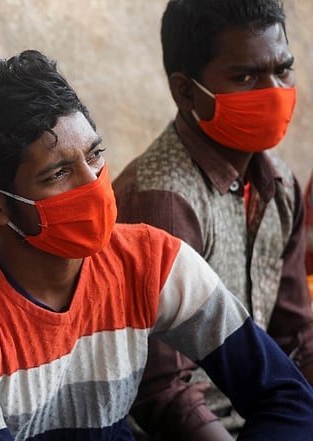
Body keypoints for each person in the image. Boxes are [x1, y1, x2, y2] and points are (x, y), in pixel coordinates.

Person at [0, 49, 313, 441]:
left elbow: (286, 397)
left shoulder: (150, 260)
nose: (92, 182)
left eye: (95, 155)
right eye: (58, 173)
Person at [111, 0, 313, 438]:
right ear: (186, 92)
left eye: (283, 70)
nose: (274, 91)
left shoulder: (279, 182)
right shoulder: (162, 200)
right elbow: (162, 393)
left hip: (269, 415)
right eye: (245, 77)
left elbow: (295, 336)